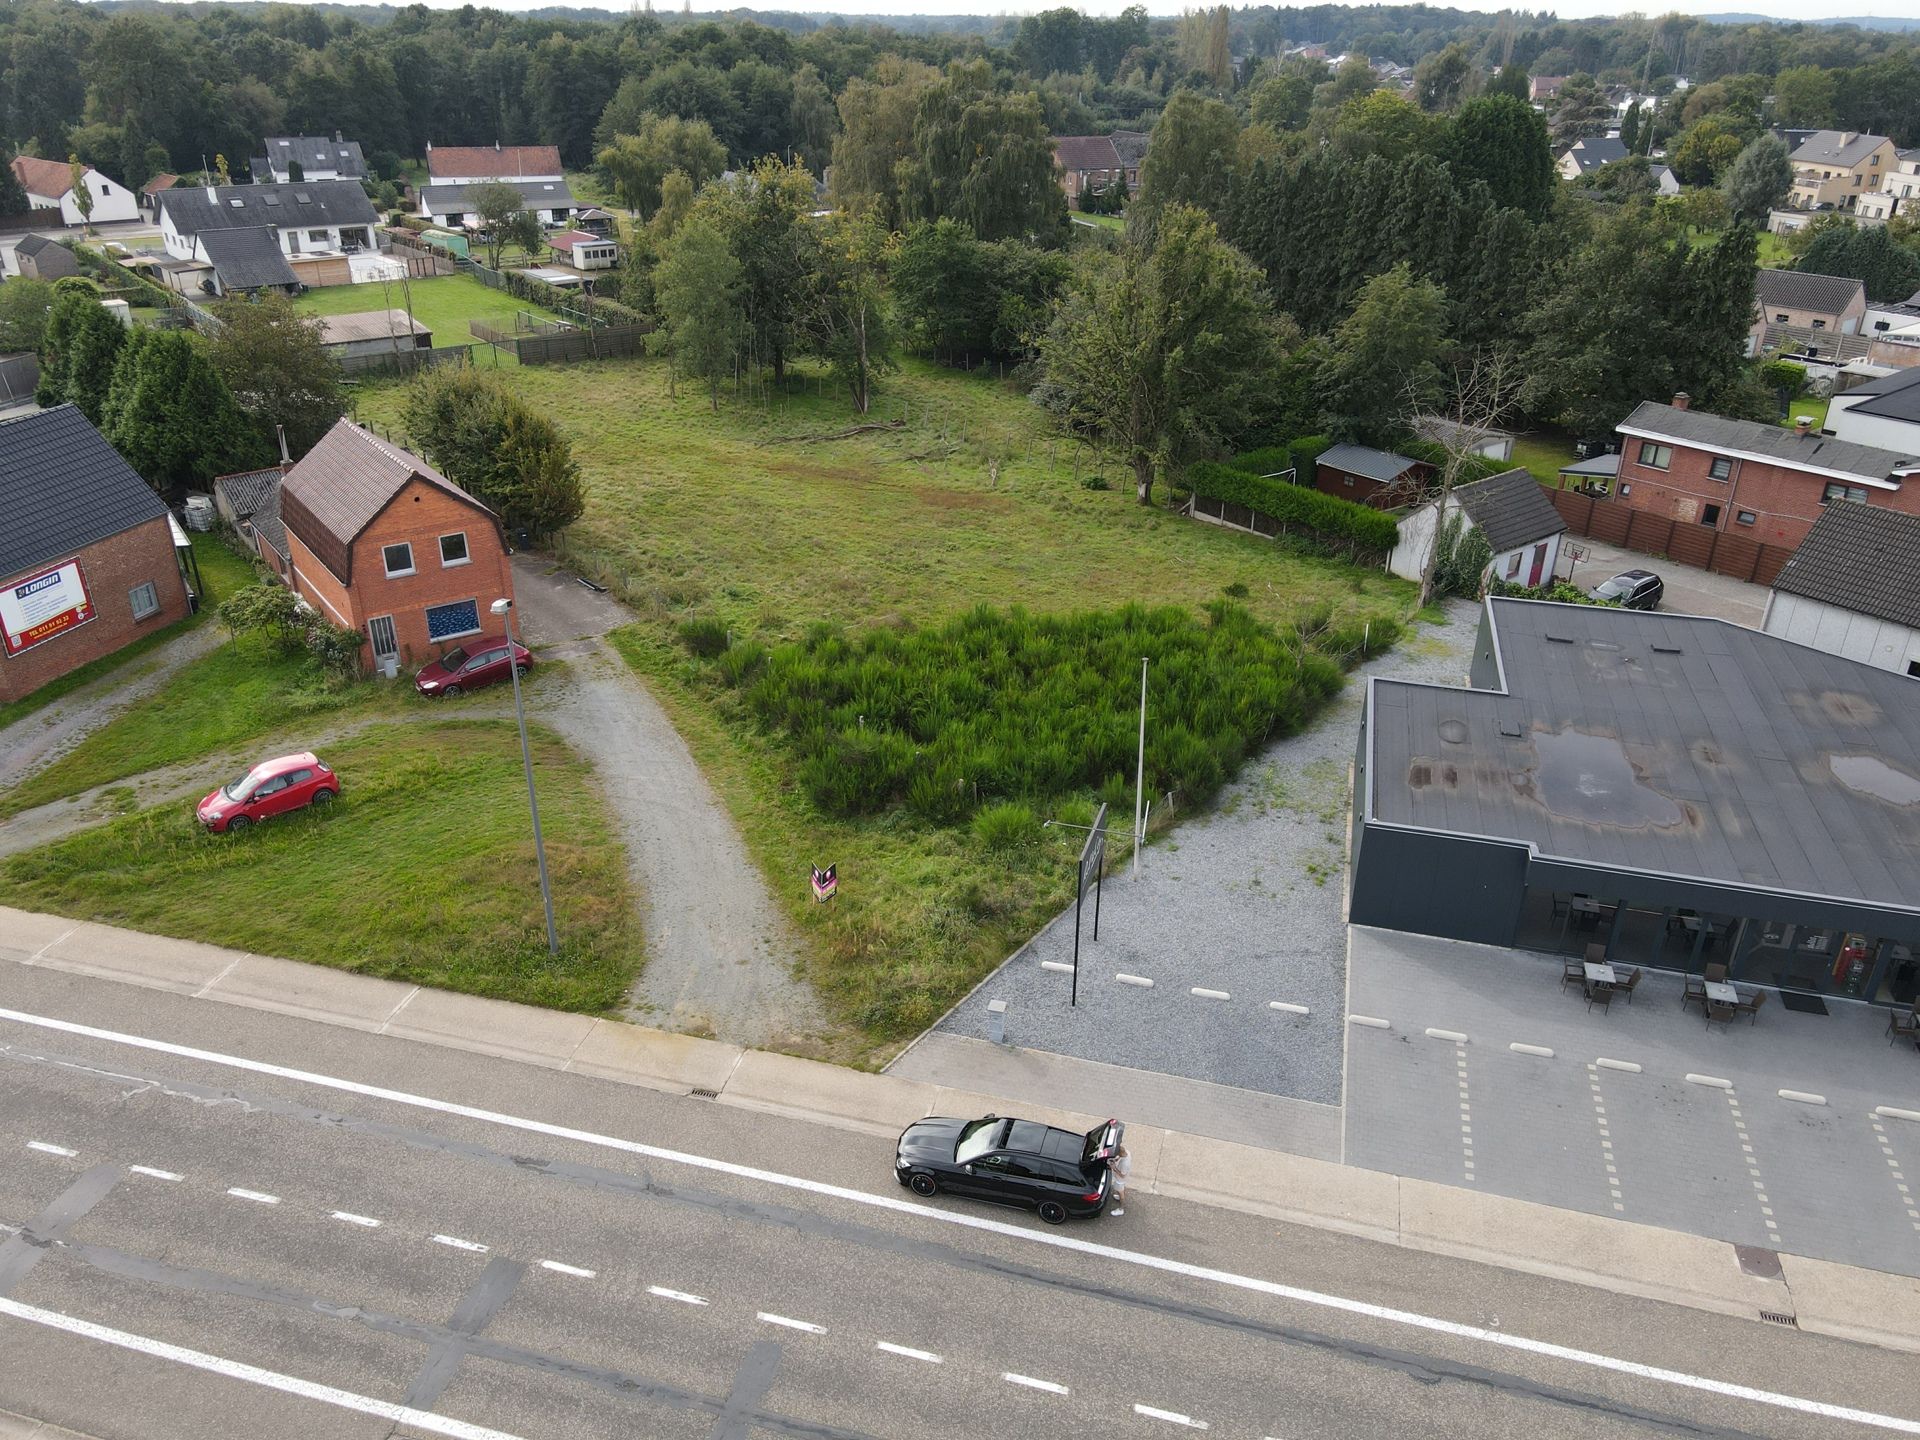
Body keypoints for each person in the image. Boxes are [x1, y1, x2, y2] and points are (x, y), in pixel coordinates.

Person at [1107, 1142, 1131, 1216]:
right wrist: (1116, 1159)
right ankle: (1119, 1196)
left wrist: (1114, 1168)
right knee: (1120, 1190)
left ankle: (1121, 1209)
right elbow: (1120, 1157)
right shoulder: (1127, 1152)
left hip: (1120, 1180)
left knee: (1121, 1192)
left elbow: (1122, 1175)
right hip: (1121, 1178)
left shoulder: (1125, 1164)